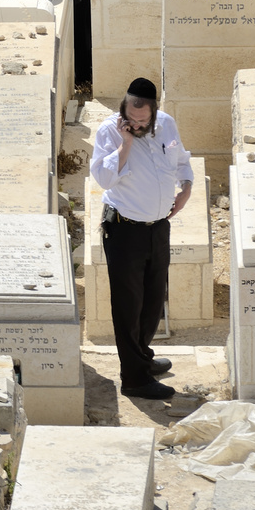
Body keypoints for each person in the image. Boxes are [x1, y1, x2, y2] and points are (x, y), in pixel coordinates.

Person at [90, 78, 193, 400]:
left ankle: (142, 357)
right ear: (124, 109)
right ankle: (134, 379)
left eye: (142, 121)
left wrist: (186, 186)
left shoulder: (166, 124)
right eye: (131, 119)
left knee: (152, 301)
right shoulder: (110, 131)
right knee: (128, 305)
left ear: (154, 113)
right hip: (124, 229)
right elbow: (104, 178)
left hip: (158, 227)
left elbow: (179, 159)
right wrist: (126, 143)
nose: (136, 124)